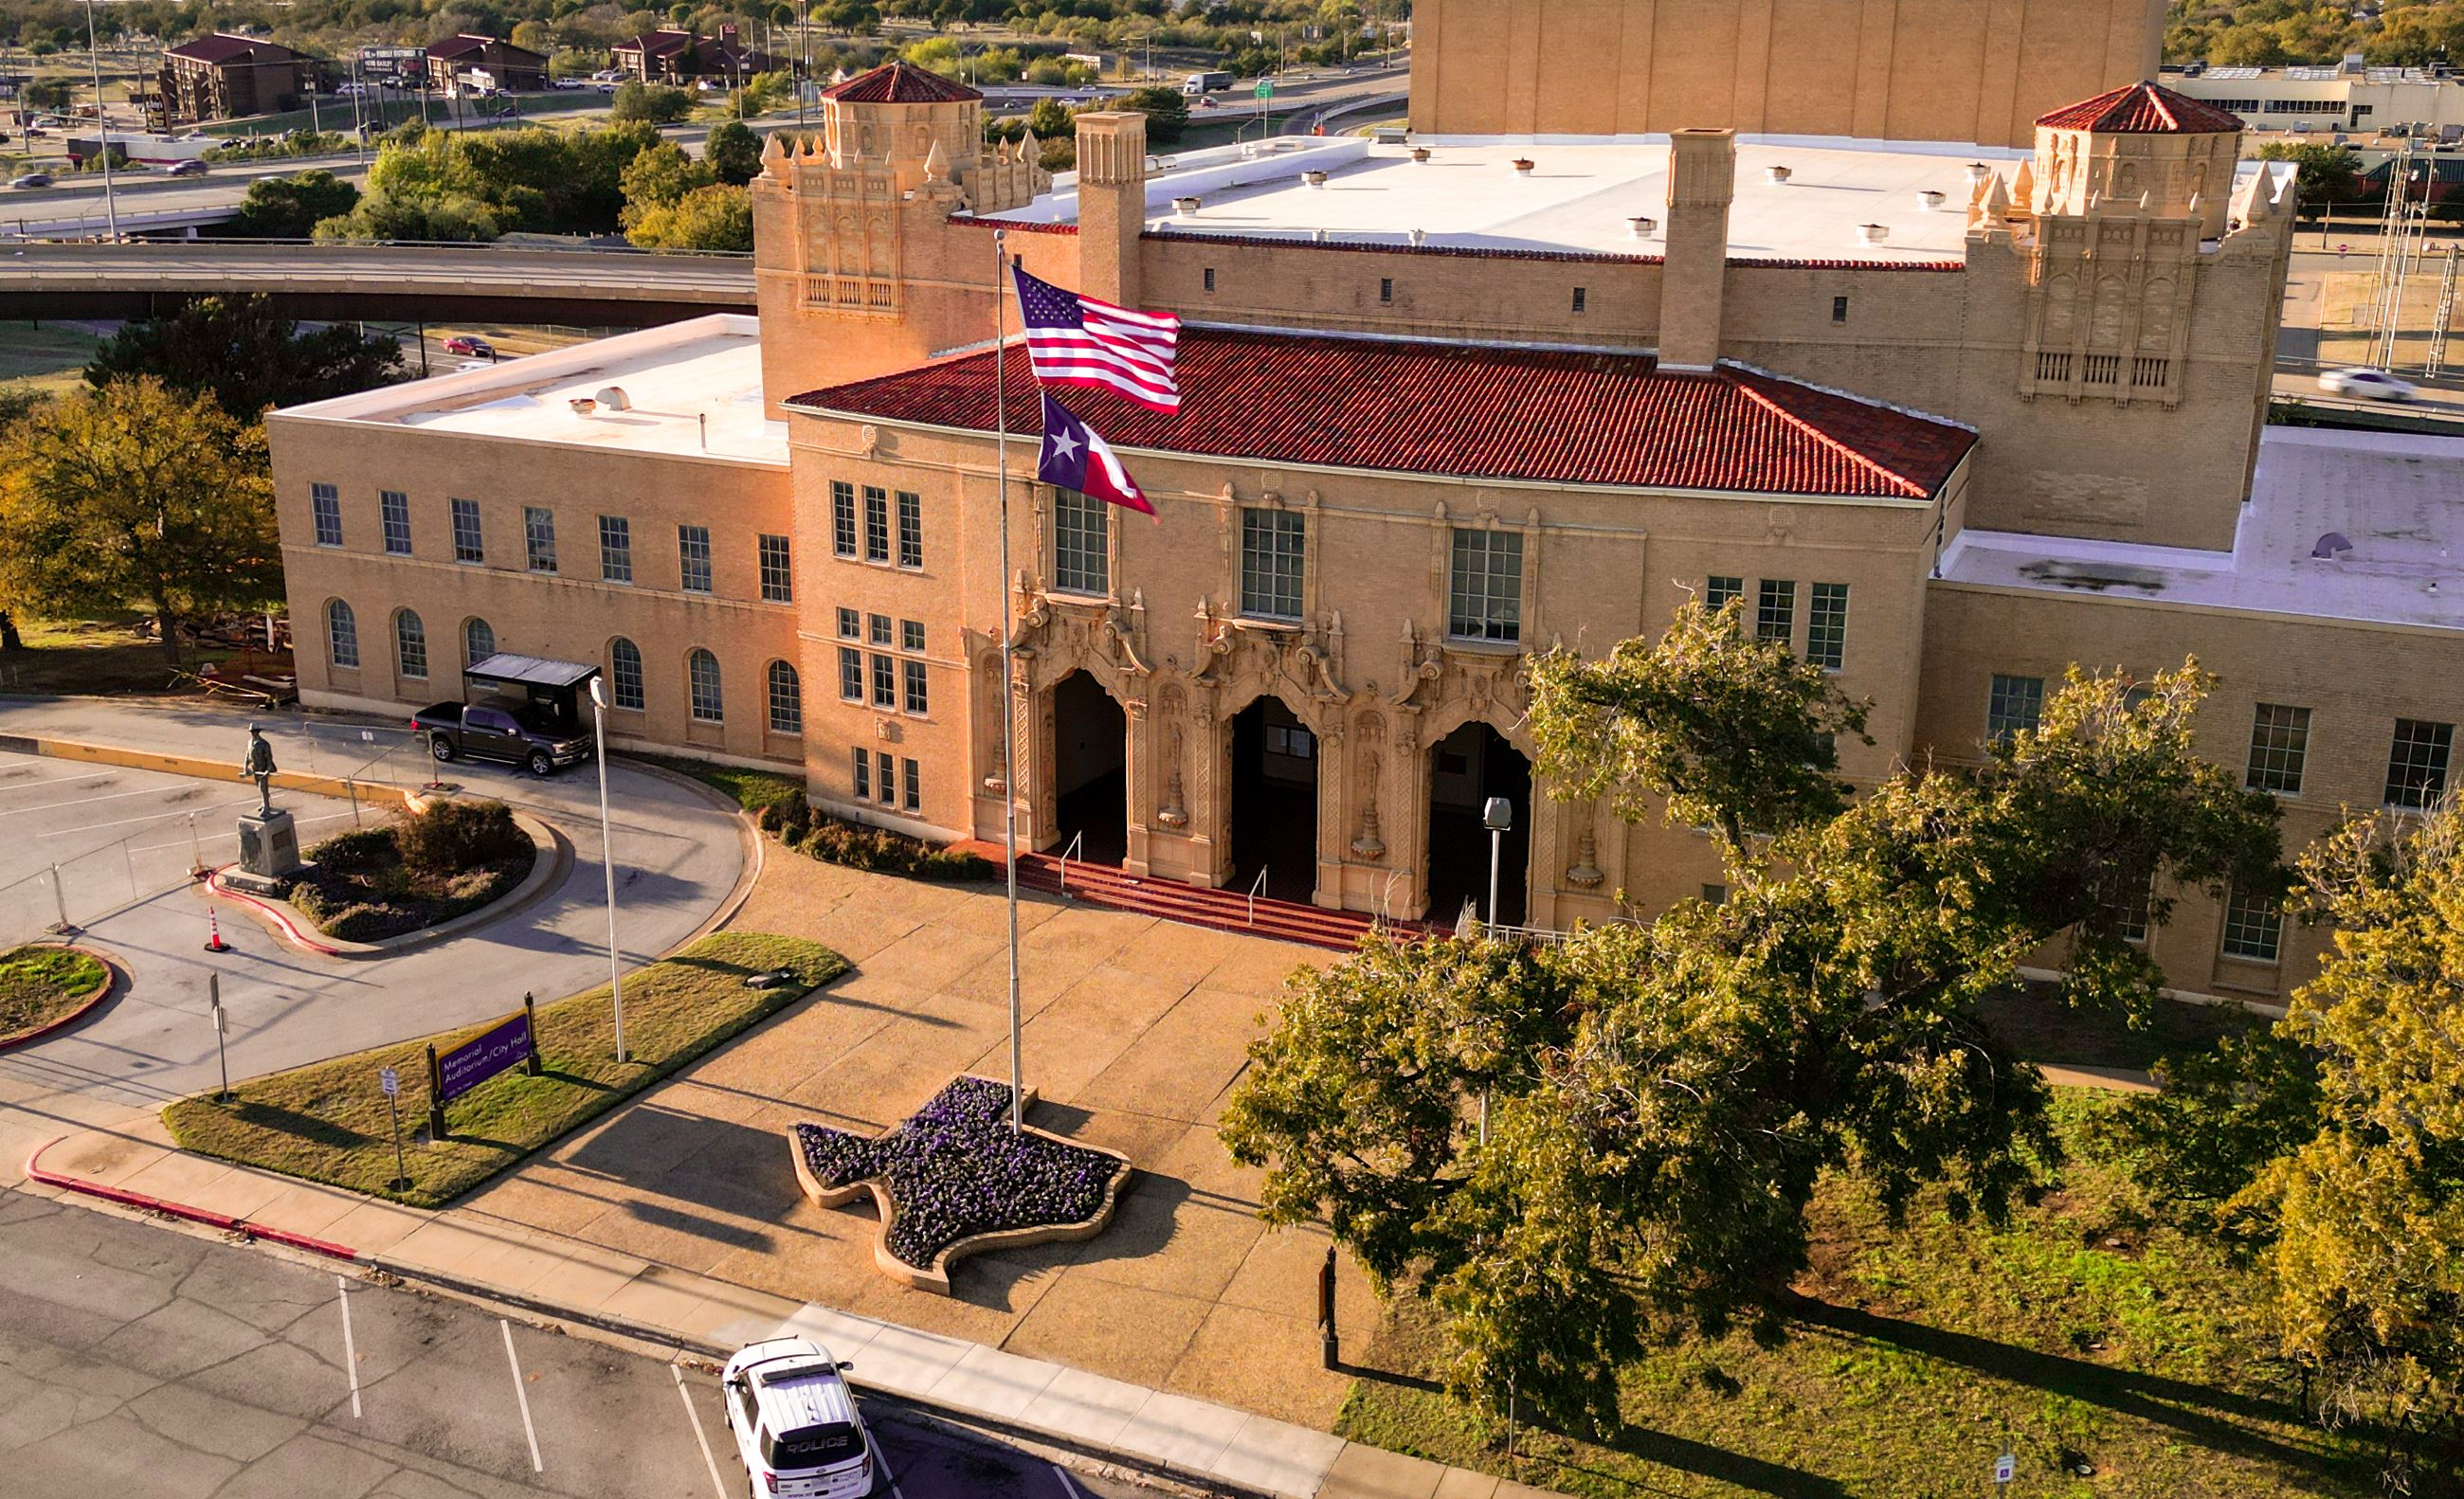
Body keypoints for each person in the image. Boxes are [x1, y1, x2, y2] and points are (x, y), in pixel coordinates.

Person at [243, 722, 279, 816]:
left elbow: (269, 758)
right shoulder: (250, 743)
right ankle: (264, 803)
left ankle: (266, 806)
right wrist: (245, 767)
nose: (254, 733)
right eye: (252, 732)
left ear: (258, 732)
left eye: (256, 731)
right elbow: (247, 755)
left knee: (263, 788)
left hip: (262, 768)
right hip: (255, 768)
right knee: (259, 787)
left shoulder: (264, 744)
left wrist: (268, 770)